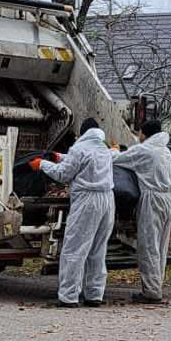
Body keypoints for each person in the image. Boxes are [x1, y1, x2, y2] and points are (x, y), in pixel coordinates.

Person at [31, 118, 116, 308]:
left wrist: (42, 164)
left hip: (87, 201)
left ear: (82, 133)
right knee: (97, 250)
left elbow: (63, 174)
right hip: (108, 200)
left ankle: (68, 296)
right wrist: (59, 157)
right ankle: (94, 295)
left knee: (74, 248)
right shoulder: (103, 148)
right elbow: (83, 160)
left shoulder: (79, 149)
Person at [112, 119, 171, 304]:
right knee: (161, 246)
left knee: (149, 246)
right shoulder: (165, 151)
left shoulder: (145, 149)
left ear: (144, 134)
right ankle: (156, 286)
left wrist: (114, 150)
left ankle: (151, 292)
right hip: (168, 198)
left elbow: (117, 160)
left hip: (152, 199)